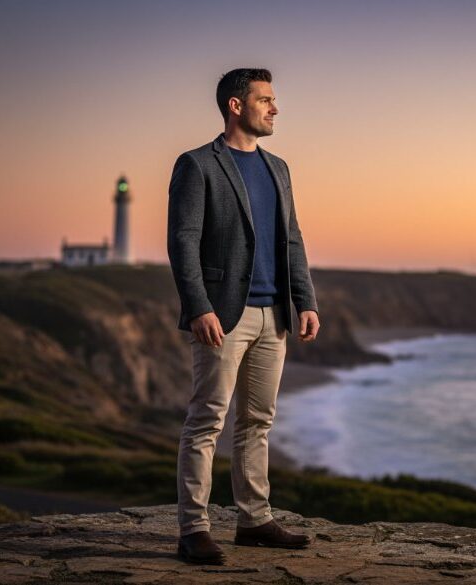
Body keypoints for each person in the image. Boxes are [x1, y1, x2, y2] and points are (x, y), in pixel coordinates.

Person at [166, 68, 321, 565]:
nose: (275, 109)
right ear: (237, 106)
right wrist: (198, 307)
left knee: (258, 421)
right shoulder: (197, 165)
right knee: (207, 420)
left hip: (273, 314)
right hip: (222, 317)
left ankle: (254, 520)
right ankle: (193, 529)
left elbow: (292, 238)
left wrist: (306, 301)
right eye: (266, 100)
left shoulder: (278, 167)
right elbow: (183, 241)